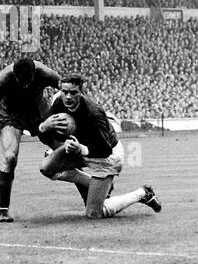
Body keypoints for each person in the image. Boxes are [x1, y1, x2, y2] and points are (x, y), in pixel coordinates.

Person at [36, 74, 161, 218]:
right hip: (79, 148)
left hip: (107, 157)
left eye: (73, 92)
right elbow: (45, 136)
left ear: (81, 92)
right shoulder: (59, 103)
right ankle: (95, 185)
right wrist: (43, 127)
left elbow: (105, 149)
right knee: (47, 168)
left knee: (94, 213)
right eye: (65, 92)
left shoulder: (94, 112)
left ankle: (143, 194)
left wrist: (81, 149)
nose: (68, 97)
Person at [0, 55, 61, 223]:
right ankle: (2, 210)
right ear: (15, 75)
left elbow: (66, 88)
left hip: (38, 114)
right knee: (10, 157)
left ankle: (89, 187)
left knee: (63, 148)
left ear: (35, 74)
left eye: (29, 81)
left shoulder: (46, 73)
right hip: (11, 117)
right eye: (21, 82)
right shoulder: (2, 80)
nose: (25, 85)